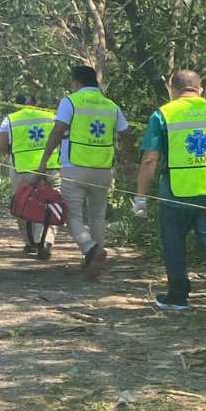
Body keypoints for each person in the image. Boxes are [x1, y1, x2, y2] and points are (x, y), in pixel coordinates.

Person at [134, 69, 206, 319]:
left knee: (174, 246)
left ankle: (177, 297)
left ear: (171, 89)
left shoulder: (163, 114)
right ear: (200, 89)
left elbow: (150, 158)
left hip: (176, 194)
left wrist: (140, 197)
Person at [36, 65, 128, 278]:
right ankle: (93, 260)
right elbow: (125, 133)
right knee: (97, 215)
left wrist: (44, 161)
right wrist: (130, 162)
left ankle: (91, 249)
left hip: (75, 166)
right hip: (103, 168)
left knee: (72, 214)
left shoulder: (70, 101)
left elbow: (58, 131)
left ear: (76, 82)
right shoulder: (111, 105)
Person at [0, 93, 60, 258]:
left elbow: (2, 145)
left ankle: (31, 243)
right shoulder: (50, 116)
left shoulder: (10, 119)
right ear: (35, 102)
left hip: (23, 169)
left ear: (16, 104)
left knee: (23, 204)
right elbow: (61, 136)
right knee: (52, 203)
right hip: (52, 167)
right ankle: (46, 242)